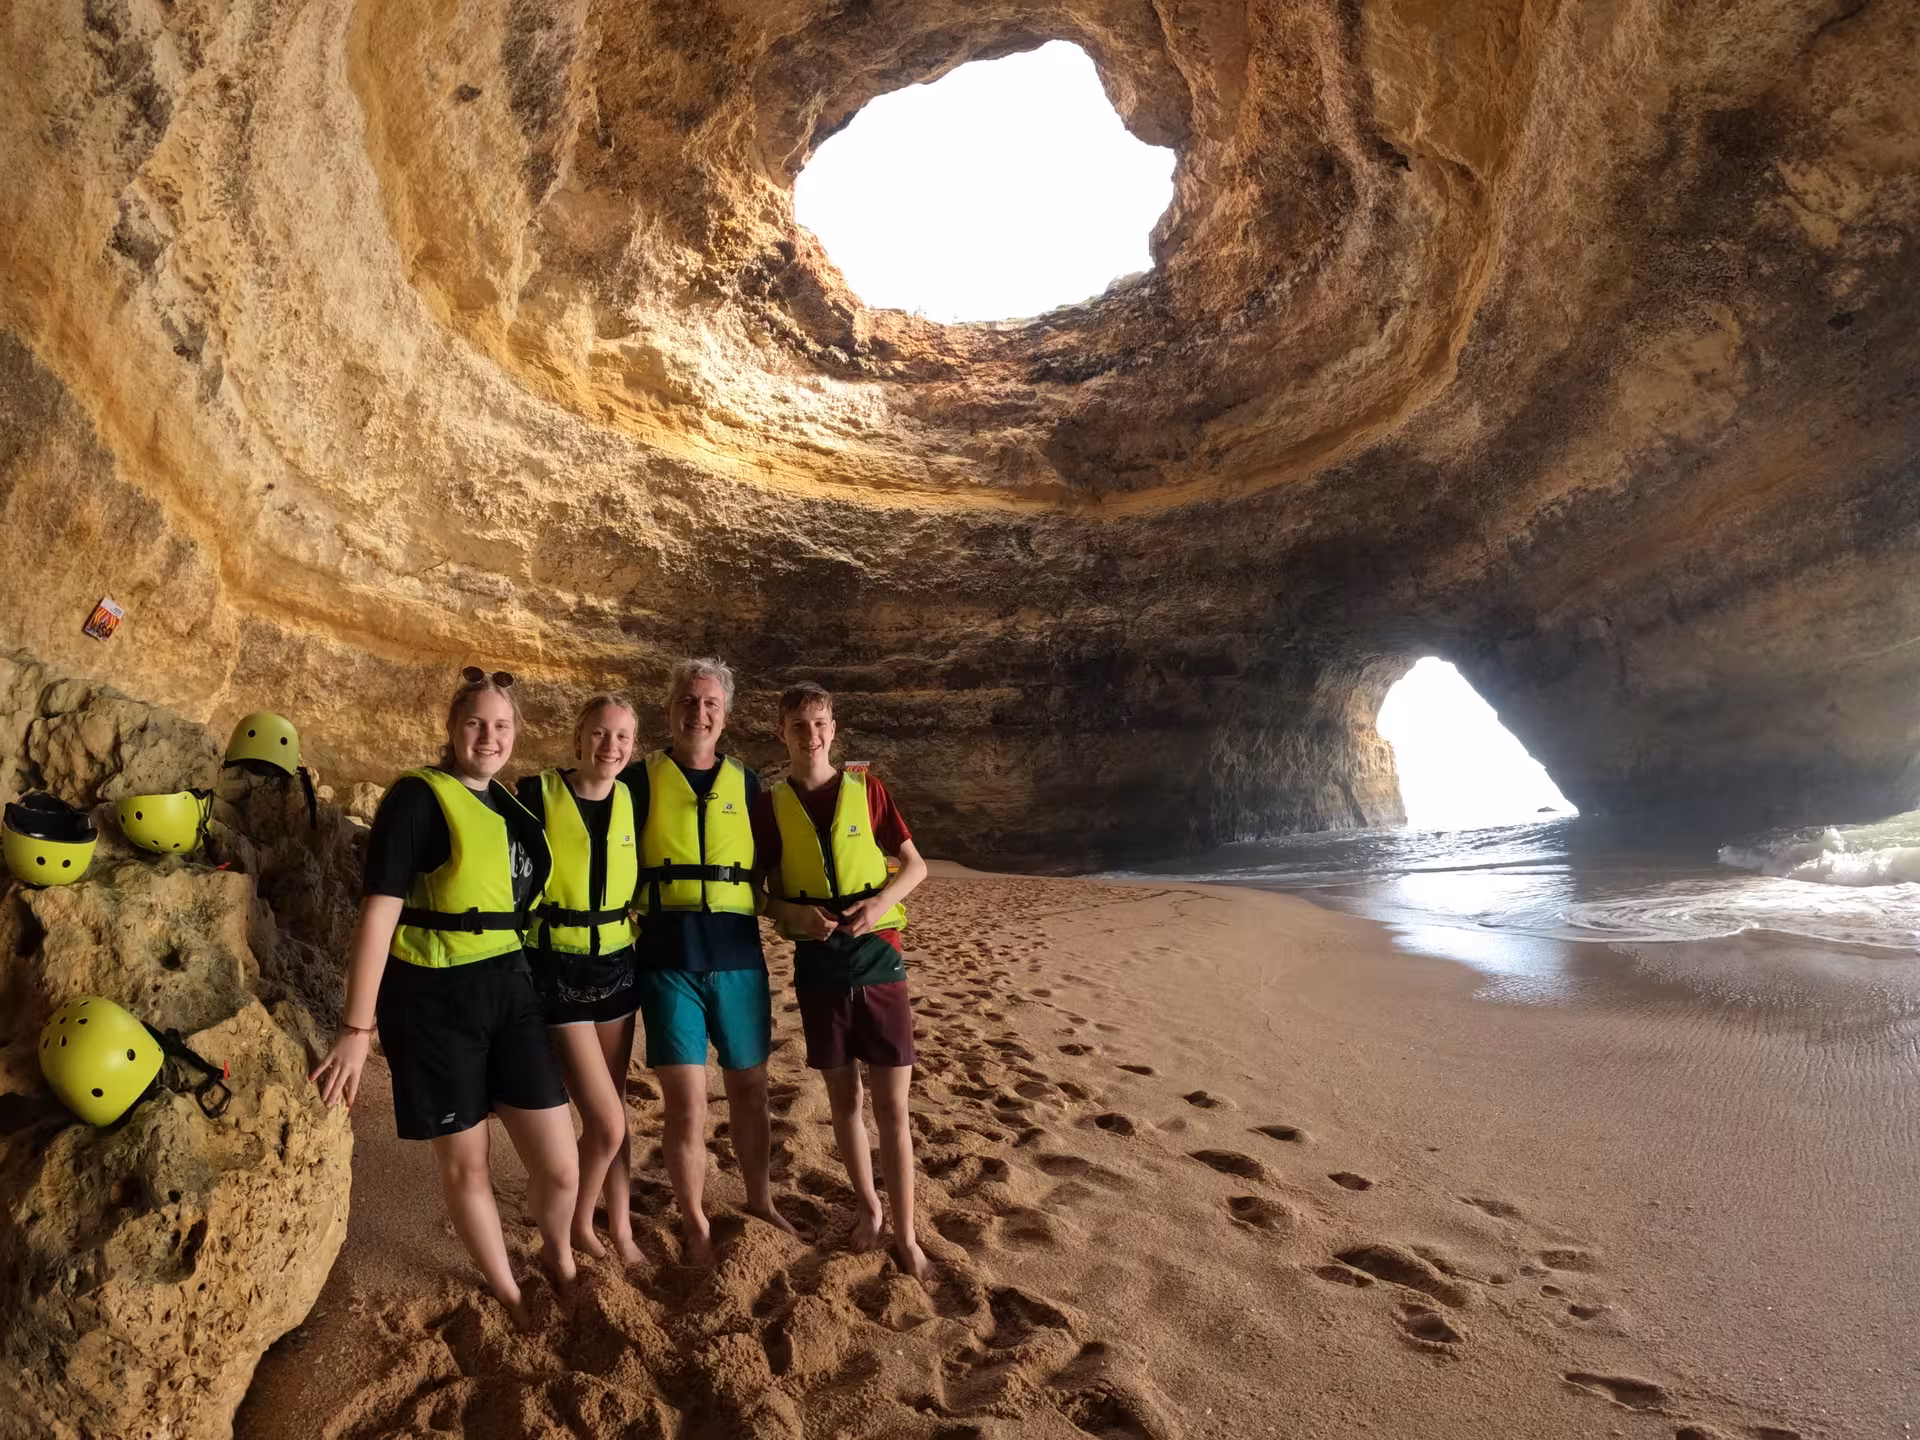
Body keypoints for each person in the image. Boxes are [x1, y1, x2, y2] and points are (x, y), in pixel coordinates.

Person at [310, 668, 578, 1329]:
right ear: (453, 729)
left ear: (515, 734)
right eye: (475, 723)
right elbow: (378, 917)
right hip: (432, 1002)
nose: (489, 737)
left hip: (510, 992)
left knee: (561, 1165)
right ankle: (508, 1291)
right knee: (468, 1164)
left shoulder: (507, 807)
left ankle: (560, 1255)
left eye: (502, 726)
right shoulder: (417, 799)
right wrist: (356, 1029)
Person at [753, 681, 932, 1283]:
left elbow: (915, 866)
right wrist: (794, 914)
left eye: (820, 723)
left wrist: (879, 905)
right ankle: (869, 1208)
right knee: (844, 1102)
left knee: (893, 1107)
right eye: (799, 725)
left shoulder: (868, 790)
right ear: (781, 732)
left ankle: (906, 1235)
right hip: (819, 965)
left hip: (879, 959)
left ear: (833, 728)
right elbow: (757, 892)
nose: (812, 735)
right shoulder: (769, 807)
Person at [618, 657, 793, 1264]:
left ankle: (760, 1199)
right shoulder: (637, 782)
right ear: (670, 710)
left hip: (739, 957)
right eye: (688, 702)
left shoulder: (748, 784)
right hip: (667, 960)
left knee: (750, 1089)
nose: (699, 713)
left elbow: (776, 863)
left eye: (710, 703)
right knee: (687, 1104)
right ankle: (694, 1220)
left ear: (725, 715)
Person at [517, 695, 645, 1266]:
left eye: (622, 737)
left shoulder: (633, 800)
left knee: (614, 1108)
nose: (610, 746)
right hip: (556, 968)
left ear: (632, 746)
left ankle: (619, 1226)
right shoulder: (533, 797)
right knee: (607, 1122)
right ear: (577, 736)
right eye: (599, 733)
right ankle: (575, 1223)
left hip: (617, 965)